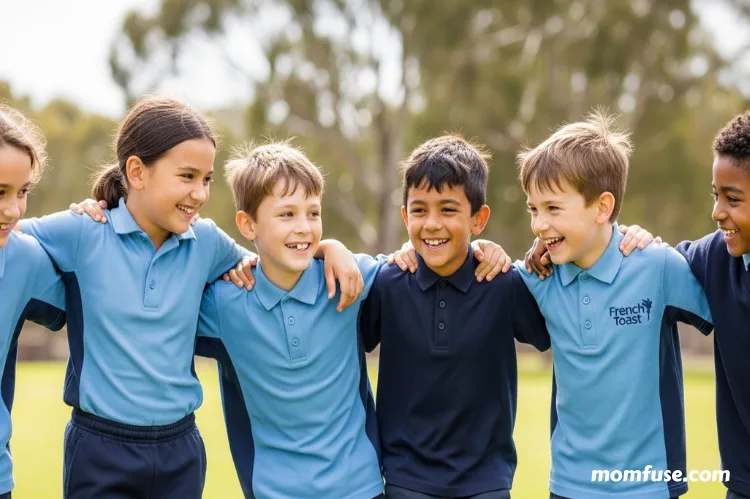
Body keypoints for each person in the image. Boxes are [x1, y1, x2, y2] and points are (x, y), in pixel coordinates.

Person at [19, 97, 361, 498]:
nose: (199, 193)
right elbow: (12, 233)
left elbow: (271, 256)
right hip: (100, 446)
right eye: (187, 176)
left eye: (206, 179)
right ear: (136, 171)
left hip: (180, 448)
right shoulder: (82, 232)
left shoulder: (207, 242)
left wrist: (329, 247)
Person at [515, 111, 712, 499]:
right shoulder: (538, 278)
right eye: (533, 209)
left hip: (650, 487)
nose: (538, 224)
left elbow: (727, 310)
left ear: (603, 207)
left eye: (553, 209)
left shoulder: (657, 267)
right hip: (568, 487)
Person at [359, 135, 551, 499]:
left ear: (478, 219)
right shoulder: (388, 284)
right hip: (404, 480)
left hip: (487, 482)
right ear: (404, 216)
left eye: (448, 210)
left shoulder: (503, 283)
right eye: (419, 210)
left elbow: (554, 326)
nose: (432, 223)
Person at [195, 142, 390, 498]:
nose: (303, 227)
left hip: (362, 488)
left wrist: (481, 249)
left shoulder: (349, 278)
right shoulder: (225, 303)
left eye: (313, 213)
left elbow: (416, 264)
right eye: (287, 215)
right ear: (247, 225)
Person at [0, 105, 66, 499]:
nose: (12, 209)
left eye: (22, 191)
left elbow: (95, 291)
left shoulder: (23, 258)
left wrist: (91, 221)